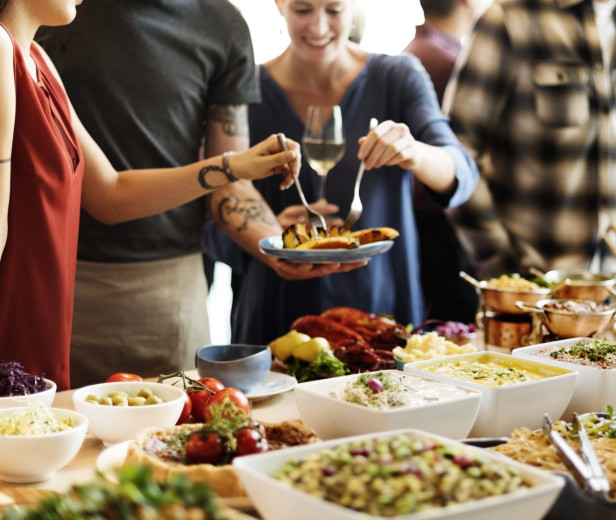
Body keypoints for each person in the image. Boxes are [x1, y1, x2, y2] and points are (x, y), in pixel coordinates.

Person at [0, 0, 302, 390]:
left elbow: (109, 192)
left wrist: (235, 167)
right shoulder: (8, 51)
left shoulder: (39, 61)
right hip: (25, 311)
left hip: (69, 310)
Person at [205, 0, 479, 345]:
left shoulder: (397, 77)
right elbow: (211, 216)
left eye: (333, 10)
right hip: (276, 311)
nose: (318, 28)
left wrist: (414, 152)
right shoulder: (244, 92)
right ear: (279, 4)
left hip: (379, 306)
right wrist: (268, 231)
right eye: (303, 10)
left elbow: (462, 174)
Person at [442, 0, 616, 279]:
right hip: (526, 281)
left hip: (612, 282)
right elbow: (457, 153)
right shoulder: (508, 18)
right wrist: (497, 261)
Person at [403, 0, 481, 323]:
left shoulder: (417, 48)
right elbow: (469, 156)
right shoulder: (450, 61)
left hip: (423, 214)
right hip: (442, 217)